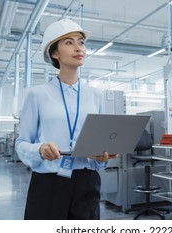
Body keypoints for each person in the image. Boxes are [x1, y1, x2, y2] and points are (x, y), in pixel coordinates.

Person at [15, 19, 116, 220]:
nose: (78, 48)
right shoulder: (37, 94)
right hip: (49, 182)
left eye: (81, 42)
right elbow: (21, 143)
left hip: (87, 181)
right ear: (55, 53)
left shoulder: (96, 95)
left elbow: (100, 143)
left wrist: (103, 158)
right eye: (69, 43)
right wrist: (40, 149)